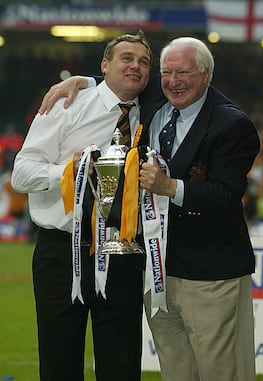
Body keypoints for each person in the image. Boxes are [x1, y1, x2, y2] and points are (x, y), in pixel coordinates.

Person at [38, 36, 260, 381]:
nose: (174, 80)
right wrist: (83, 81)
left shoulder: (232, 125)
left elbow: (225, 196)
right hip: (154, 271)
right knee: (176, 369)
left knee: (221, 369)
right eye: (167, 72)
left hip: (209, 271)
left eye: (184, 72)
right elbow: (120, 79)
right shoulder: (156, 96)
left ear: (206, 74)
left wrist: (169, 187)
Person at [11, 31, 152, 381]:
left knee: (121, 364)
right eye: (126, 58)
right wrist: (71, 172)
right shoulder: (65, 104)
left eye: (144, 62)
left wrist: (86, 79)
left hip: (123, 251)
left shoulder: (153, 110)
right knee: (60, 362)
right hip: (63, 252)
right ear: (105, 65)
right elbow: (21, 175)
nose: (136, 66)